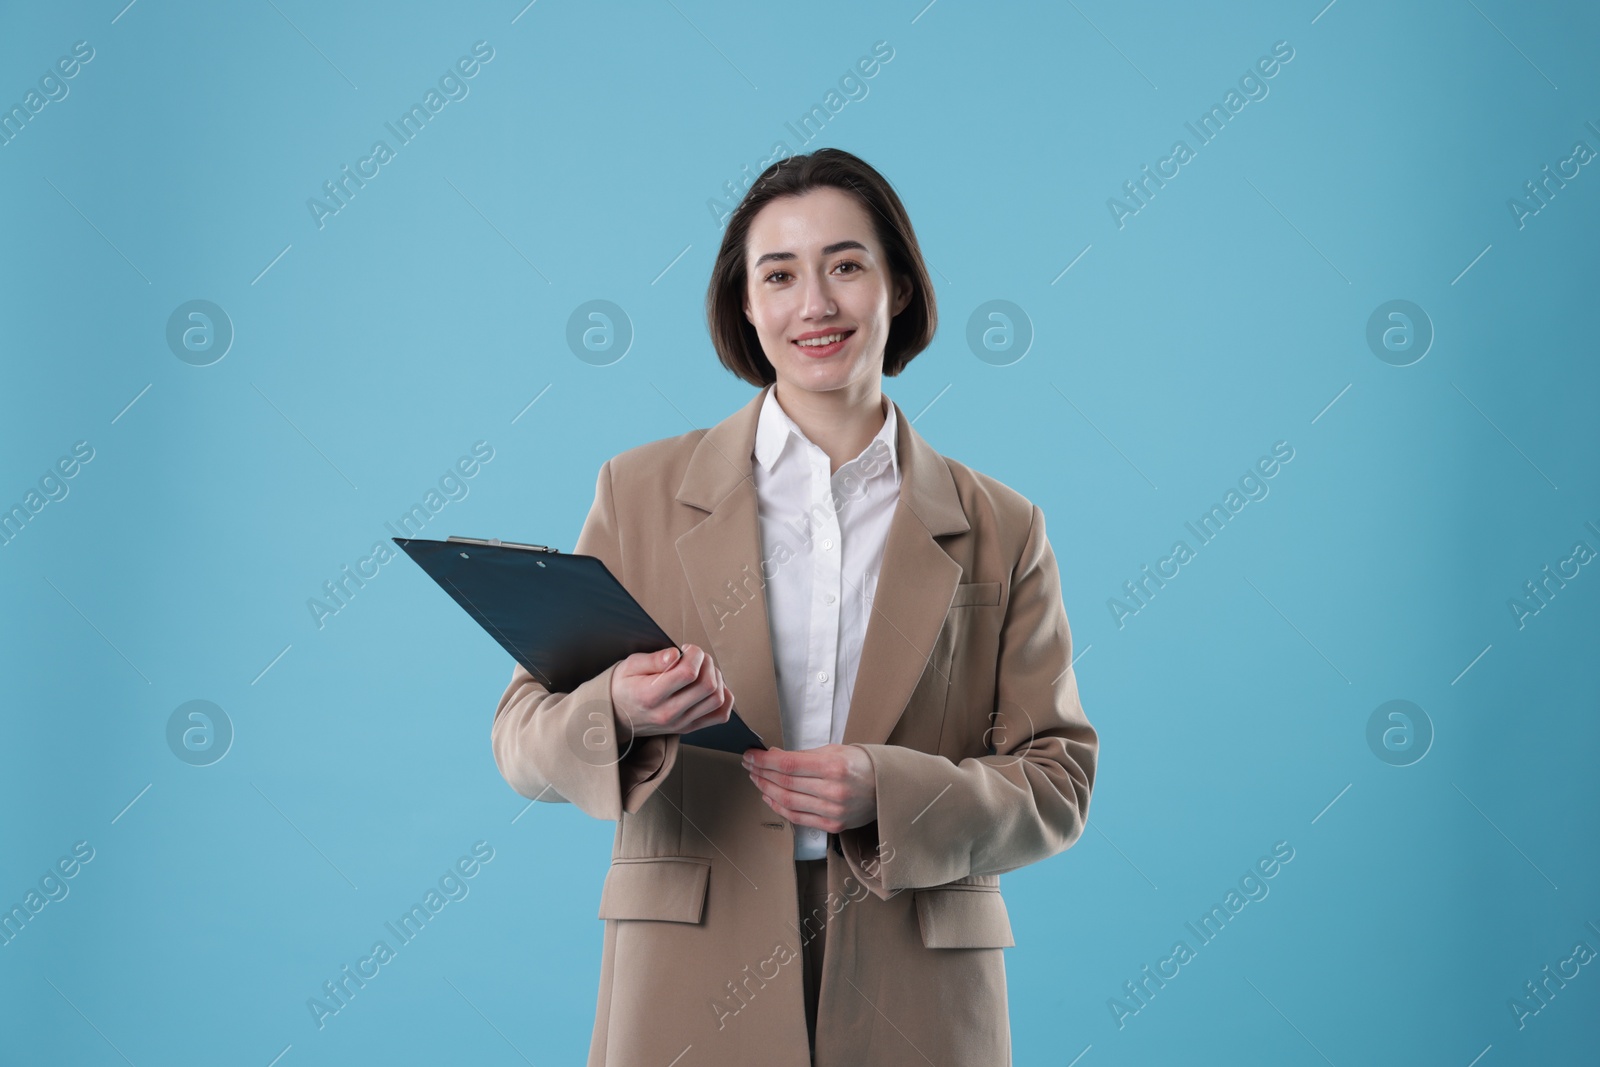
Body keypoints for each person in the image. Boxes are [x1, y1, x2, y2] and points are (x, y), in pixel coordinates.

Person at [491, 147, 1098, 1067]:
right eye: (779, 275)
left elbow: (1058, 781)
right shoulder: (640, 491)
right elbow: (521, 739)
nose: (815, 304)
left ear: (898, 286)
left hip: (918, 970)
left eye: (846, 266)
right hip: (690, 965)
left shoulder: (1002, 524)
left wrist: (889, 791)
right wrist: (616, 710)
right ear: (745, 302)